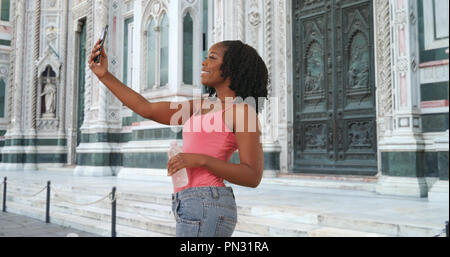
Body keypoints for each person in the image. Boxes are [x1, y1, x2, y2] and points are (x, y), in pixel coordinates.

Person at [89, 39, 268, 237]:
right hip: (188, 200)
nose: (204, 62)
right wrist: (104, 75)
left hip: (208, 201)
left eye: (212, 57)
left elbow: (252, 175)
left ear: (232, 68)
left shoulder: (243, 112)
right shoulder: (201, 105)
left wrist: (199, 160)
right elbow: (146, 108)